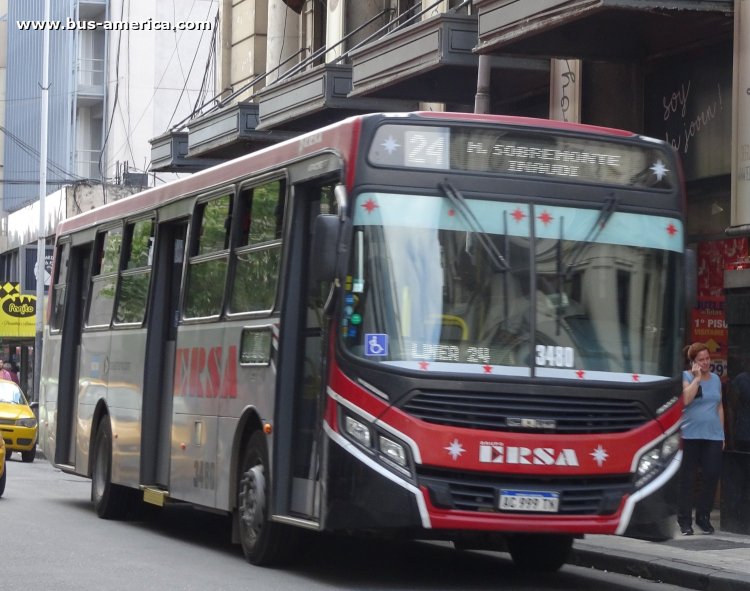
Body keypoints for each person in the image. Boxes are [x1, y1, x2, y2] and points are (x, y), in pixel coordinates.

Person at [677, 342, 724, 535]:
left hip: (712, 434)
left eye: (707, 358)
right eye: (701, 360)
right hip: (690, 434)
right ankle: (684, 520)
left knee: (711, 476)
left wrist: (722, 434)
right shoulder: (686, 377)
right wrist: (697, 379)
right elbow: (686, 400)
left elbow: (719, 406)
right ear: (693, 362)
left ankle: (703, 516)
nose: (706, 363)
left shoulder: (716, 379)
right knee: (688, 478)